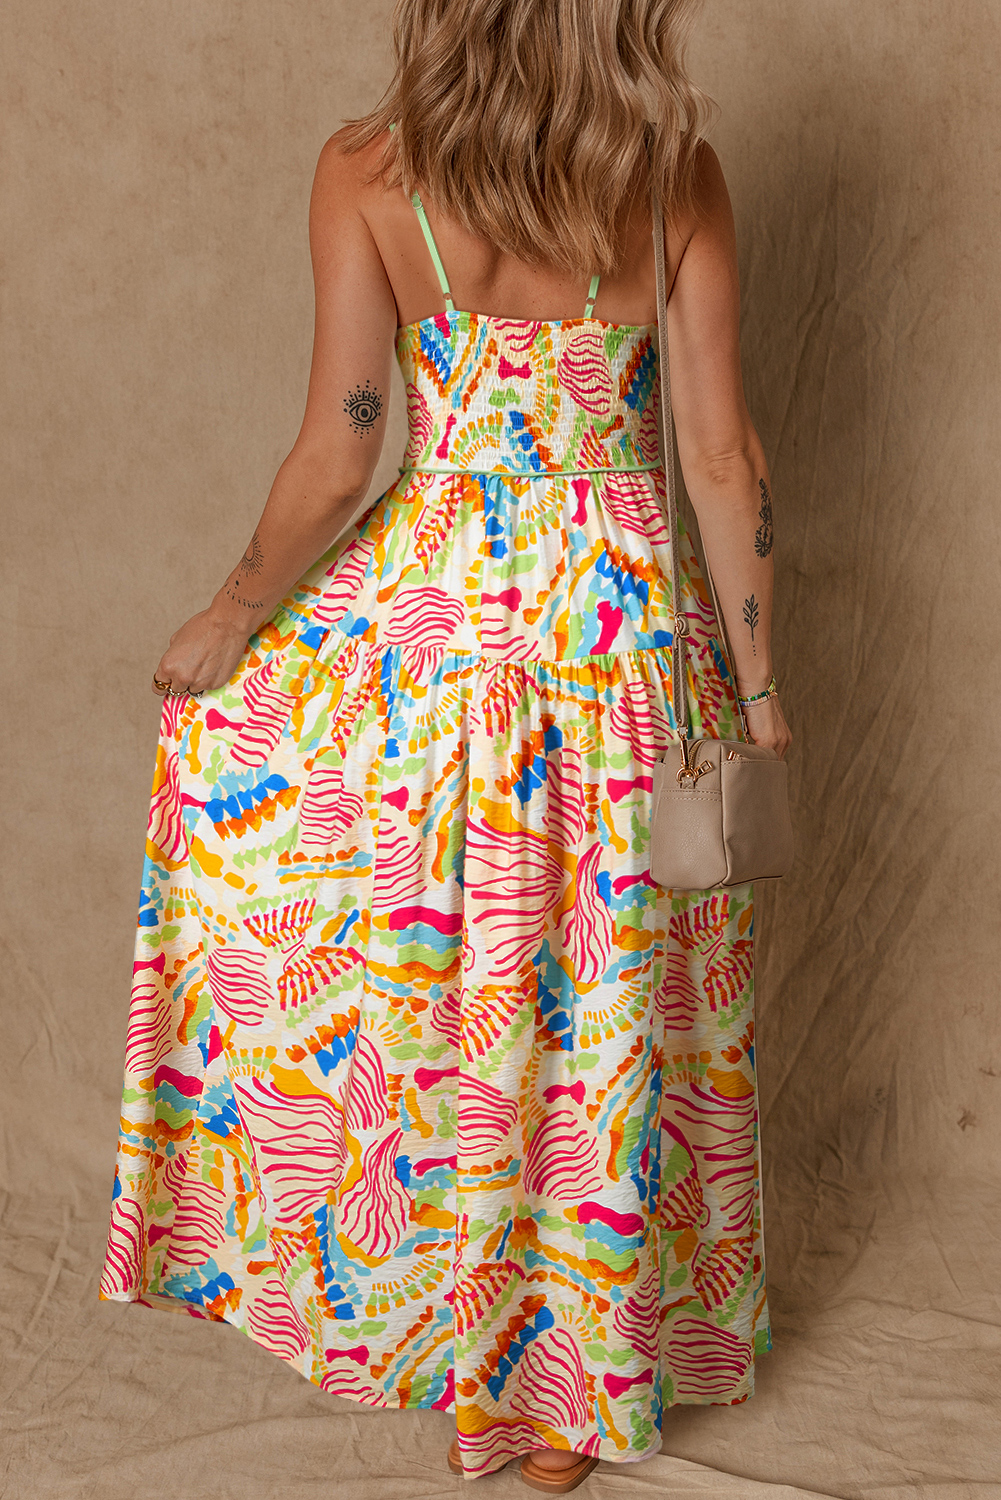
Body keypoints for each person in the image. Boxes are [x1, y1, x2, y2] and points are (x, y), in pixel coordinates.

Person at [100, 0, 791, 1490]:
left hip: (432, 649)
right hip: (618, 655)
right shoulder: (673, 175)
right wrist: (759, 693)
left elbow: (340, 451)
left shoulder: (368, 171)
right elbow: (722, 458)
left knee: (448, 1007)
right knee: (594, 1017)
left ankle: (457, 1343)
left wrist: (233, 612)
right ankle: (564, 1391)